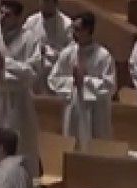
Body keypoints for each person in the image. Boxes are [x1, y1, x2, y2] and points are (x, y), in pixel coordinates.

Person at [0, 0, 42, 177]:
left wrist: (6, 66)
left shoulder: (29, 38)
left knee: (18, 145)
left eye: (8, 14)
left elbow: (32, 70)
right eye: (1, 13)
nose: (2, 17)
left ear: (19, 18)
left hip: (17, 102)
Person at [47, 12, 117, 149]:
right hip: (73, 107)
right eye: (73, 28)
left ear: (89, 30)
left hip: (96, 111)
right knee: (73, 145)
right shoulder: (68, 53)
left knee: (96, 147)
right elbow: (53, 79)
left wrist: (84, 81)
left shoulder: (103, 56)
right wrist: (73, 82)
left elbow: (110, 86)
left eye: (78, 29)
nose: (73, 33)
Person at [24, 0, 72, 94]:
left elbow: (71, 51)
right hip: (35, 65)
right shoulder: (31, 21)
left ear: (55, 3)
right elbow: (24, 42)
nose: (44, 6)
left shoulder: (67, 24)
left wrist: (49, 52)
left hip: (57, 67)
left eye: (47, 2)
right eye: (42, 2)